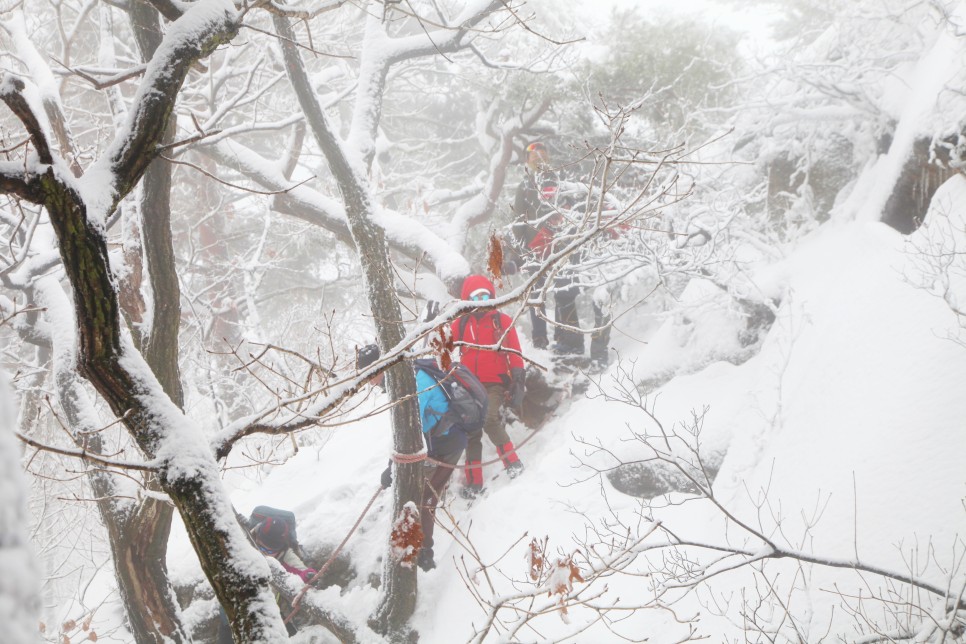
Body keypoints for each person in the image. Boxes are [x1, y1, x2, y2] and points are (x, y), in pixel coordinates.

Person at [357, 344, 485, 572]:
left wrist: (392, 467)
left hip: (447, 443)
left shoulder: (414, 383)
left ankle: (426, 554)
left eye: (369, 374)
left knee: (425, 498)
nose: (368, 381)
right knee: (417, 493)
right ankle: (413, 547)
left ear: (379, 369)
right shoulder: (404, 379)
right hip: (436, 442)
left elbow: (410, 430)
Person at [449, 274, 526, 498]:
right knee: (471, 428)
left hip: (495, 382)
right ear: (468, 299)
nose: (481, 300)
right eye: (475, 296)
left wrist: (518, 378)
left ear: (491, 296)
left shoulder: (500, 321)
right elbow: (442, 344)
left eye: (485, 295)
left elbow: (515, 351)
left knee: (489, 419)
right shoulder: (461, 323)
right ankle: (474, 484)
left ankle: (513, 464)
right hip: (469, 384)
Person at [511, 141, 584, 355]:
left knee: (565, 292)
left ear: (548, 157)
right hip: (535, 249)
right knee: (536, 295)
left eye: (542, 156)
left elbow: (573, 209)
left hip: (561, 246)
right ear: (527, 161)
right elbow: (518, 218)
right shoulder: (525, 187)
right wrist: (521, 248)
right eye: (534, 158)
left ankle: (568, 339)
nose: (539, 161)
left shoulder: (561, 182)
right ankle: (540, 340)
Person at [216, 512, 316, 642]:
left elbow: (303, 571)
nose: (263, 552)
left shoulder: (285, 555)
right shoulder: (244, 538)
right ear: (257, 537)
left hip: (269, 608)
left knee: (291, 638)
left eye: (269, 552)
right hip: (234, 606)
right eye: (261, 546)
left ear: (279, 549)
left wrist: (309, 575)